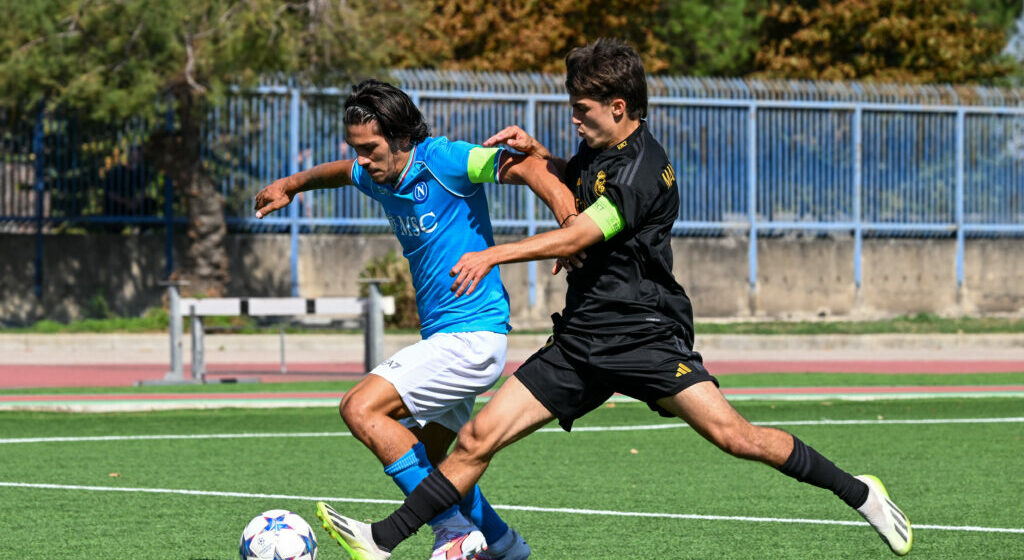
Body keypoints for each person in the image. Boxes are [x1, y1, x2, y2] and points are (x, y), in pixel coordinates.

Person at [314, 40, 913, 560]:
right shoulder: (600, 153)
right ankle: (383, 540)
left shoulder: (643, 169)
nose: (575, 118)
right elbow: (572, 183)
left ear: (618, 107)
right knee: (476, 441)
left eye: (582, 110)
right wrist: (541, 153)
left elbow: (582, 231)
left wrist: (493, 255)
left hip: (643, 336)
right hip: (580, 341)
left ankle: (861, 493)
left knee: (737, 438)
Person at [254, 79, 577, 560]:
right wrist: (290, 185)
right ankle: (504, 545)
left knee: (360, 408)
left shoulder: (446, 160)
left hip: (472, 337)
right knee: (434, 464)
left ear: (402, 138)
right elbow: (340, 172)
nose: (362, 159)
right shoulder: (376, 173)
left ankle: (452, 533)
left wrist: (571, 226)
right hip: (449, 337)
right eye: (356, 148)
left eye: (370, 148)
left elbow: (529, 166)